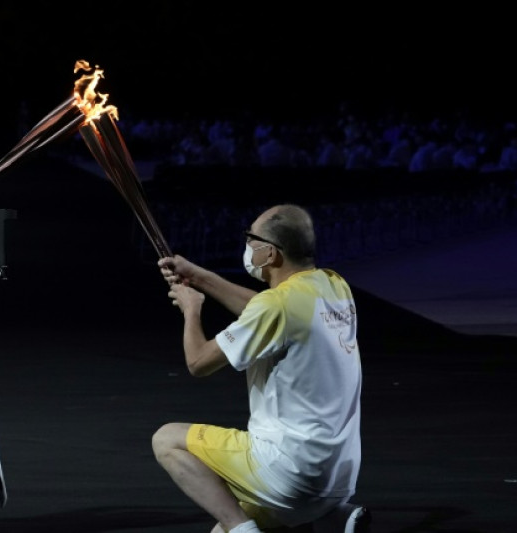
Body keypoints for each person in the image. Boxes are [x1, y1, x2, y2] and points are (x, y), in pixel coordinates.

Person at [152, 204, 368, 533]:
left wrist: (191, 309)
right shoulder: (333, 286)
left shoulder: (277, 305)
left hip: (290, 473)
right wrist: (197, 276)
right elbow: (264, 310)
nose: (247, 246)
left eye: (251, 239)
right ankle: (333, 517)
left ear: (269, 253)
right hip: (338, 476)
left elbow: (198, 363)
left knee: (167, 439)